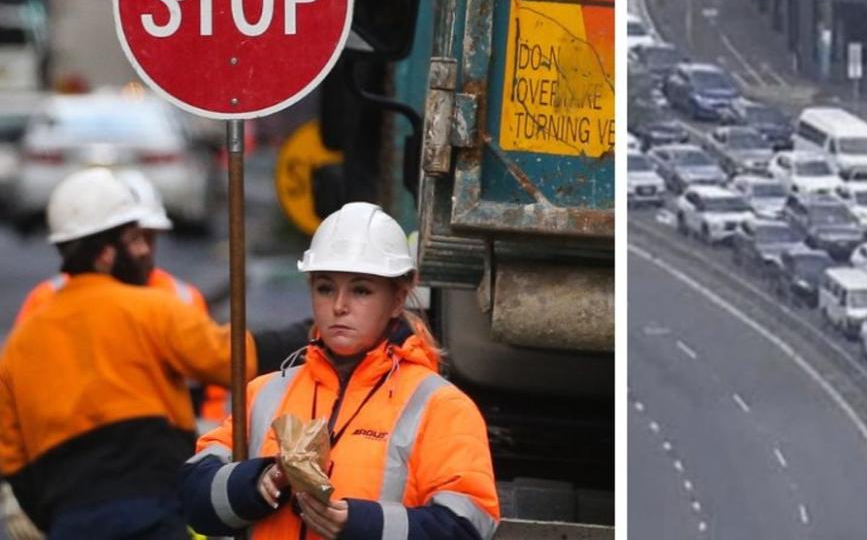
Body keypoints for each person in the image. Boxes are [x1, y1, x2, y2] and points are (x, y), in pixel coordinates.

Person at [0, 167, 304, 539]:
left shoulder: (21, 343)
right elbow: (229, 358)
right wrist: (306, 334)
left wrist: (54, 515)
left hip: (70, 518)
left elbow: (12, 457)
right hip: (150, 510)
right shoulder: (150, 309)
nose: (145, 249)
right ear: (106, 254)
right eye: (134, 240)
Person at [178, 202, 499, 540]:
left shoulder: (440, 407)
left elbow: (468, 527)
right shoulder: (267, 392)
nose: (339, 306)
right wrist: (260, 482)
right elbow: (193, 494)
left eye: (361, 290)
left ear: (397, 299)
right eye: (325, 288)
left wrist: (361, 524)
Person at [13, 170, 230, 425]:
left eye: (148, 237)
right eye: (135, 239)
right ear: (104, 249)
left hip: (167, 447)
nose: (144, 250)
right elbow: (22, 388)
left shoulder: (182, 297)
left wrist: (205, 442)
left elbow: (212, 380)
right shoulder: (46, 299)